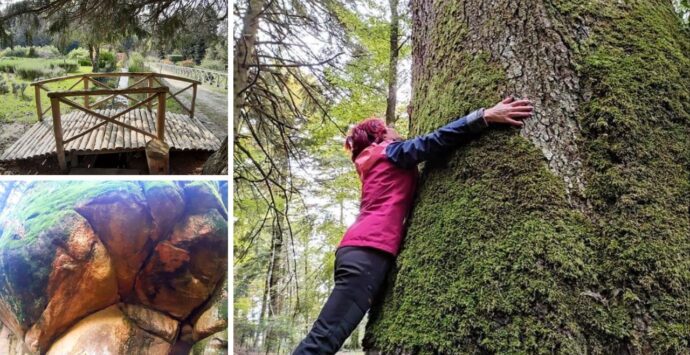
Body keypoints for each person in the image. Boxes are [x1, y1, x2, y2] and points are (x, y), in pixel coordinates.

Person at [293, 97, 534, 354]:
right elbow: (435, 140)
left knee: (327, 335)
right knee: (324, 338)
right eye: (390, 127)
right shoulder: (390, 153)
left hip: (359, 251)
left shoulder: (375, 160)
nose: (396, 130)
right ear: (383, 136)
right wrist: (484, 116)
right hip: (368, 253)